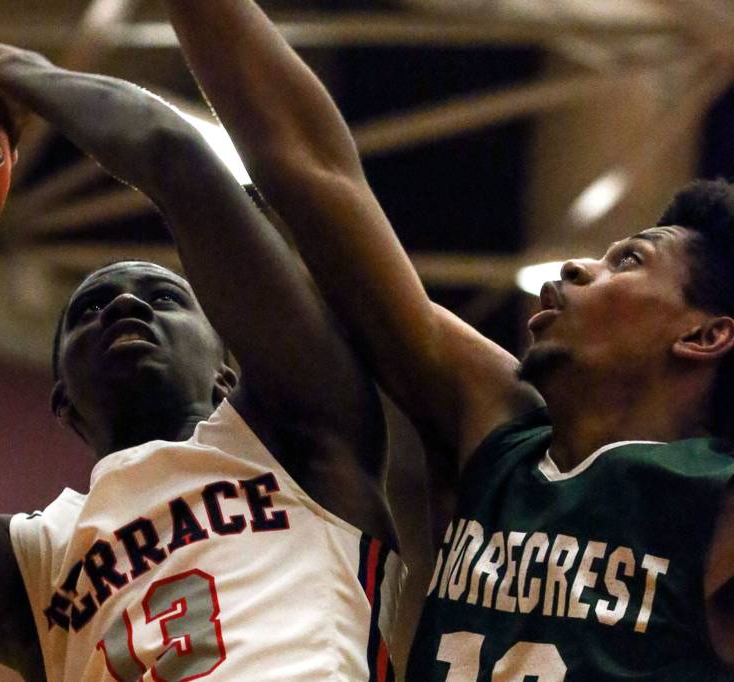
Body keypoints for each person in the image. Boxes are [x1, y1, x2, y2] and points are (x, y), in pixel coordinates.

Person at [0, 20, 403, 682]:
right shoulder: (38, 566)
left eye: (164, 299)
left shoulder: (304, 436)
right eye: (87, 312)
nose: (125, 306)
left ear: (224, 372)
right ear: (63, 400)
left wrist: (21, 72)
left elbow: (176, 159)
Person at [158, 1, 734, 679]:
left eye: (628, 261)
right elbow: (316, 169)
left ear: (706, 334)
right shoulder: (490, 427)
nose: (579, 267)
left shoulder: (713, 497)